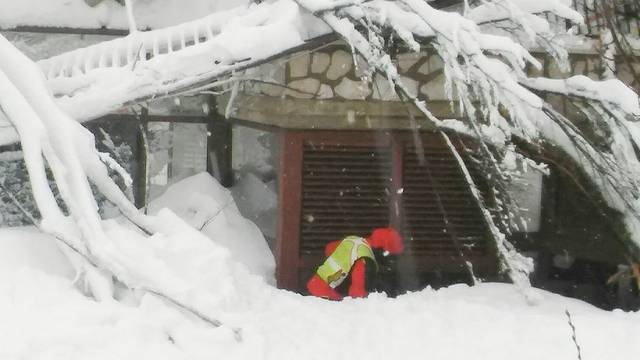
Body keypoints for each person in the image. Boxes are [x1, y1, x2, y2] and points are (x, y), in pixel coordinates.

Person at [306, 227, 404, 300]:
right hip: (326, 294)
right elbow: (357, 291)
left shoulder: (354, 240)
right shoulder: (366, 258)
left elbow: (329, 248)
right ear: (382, 251)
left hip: (314, 284)